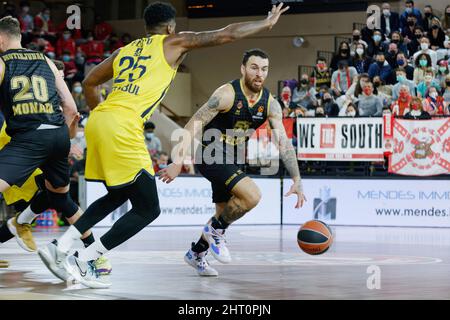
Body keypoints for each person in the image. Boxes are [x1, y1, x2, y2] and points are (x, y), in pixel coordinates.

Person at [39, 2, 291, 289]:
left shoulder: (126, 50)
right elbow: (227, 34)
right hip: (123, 124)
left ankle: (60, 246)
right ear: (171, 27)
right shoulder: (173, 42)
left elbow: (89, 82)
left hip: (99, 120)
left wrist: (105, 116)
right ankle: (86, 261)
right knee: (148, 209)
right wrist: (265, 23)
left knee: (118, 195)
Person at [159, 48, 305, 277]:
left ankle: (196, 253)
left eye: (264, 69)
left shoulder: (270, 104)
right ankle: (215, 231)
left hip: (234, 159)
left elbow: (283, 143)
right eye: (254, 68)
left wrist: (297, 178)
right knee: (252, 196)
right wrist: (178, 161)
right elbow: (193, 124)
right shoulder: (226, 94)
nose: (259, 74)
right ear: (243, 69)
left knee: (225, 211)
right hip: (210, 155)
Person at [0, 18, 111, 276]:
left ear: (2, 39)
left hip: (29, 138)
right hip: (59, 137)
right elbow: (71, 109)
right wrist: (64, 139)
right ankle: (96, 255)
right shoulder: (47, 61)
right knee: (61, 198)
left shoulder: (4, 63)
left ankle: (21, 223)